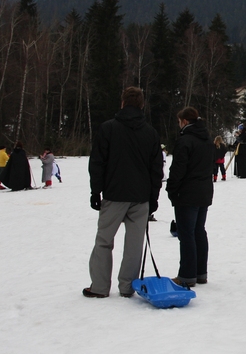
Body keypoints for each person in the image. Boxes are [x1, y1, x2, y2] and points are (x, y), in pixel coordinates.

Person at [84, 87, 163, 299]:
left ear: (122, 103)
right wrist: (154, 197)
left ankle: (100, 286)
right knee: (134, 245)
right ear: (142, 105)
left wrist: (95, 191)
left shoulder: (108, 129)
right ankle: (127, 286)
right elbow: (156, 169)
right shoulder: (150, 133)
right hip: (140, 197)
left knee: (104, 240)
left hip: (114, 194)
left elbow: (97, 163)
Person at [166, 106, 214, 287]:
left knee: (187, 234)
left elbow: (178, 168)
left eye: (179, 121)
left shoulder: (185, 140)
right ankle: (200, 272)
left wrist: (172, 189)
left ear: (185, 121)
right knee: (199, 231)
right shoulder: (207, 139)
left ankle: (187, 275)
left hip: (188, 192)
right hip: (204, 191)